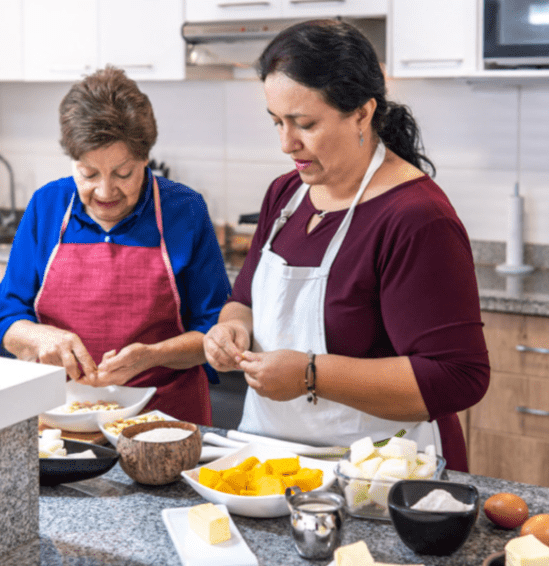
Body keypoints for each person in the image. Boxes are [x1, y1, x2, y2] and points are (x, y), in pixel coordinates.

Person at [202, 20, 489, 471]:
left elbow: (457, 378)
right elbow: (243, 301)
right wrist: (230, 329)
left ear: (362, 112)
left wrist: (310, 374)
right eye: (277, 122)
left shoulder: (415, 217)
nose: (285, 143)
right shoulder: (285, 195)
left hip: (374, 476)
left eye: (305, 124)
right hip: (272, 463)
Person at [0, 66, 231, 425]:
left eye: (123, 173)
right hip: (60, 420)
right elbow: (6, 320)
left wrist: (152, 355)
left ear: (146, 158)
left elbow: (216, 332)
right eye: (88, 174)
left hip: (165, 422)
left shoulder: (185, 211)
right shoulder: (47, 206)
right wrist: (40, 336)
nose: (105, 192)